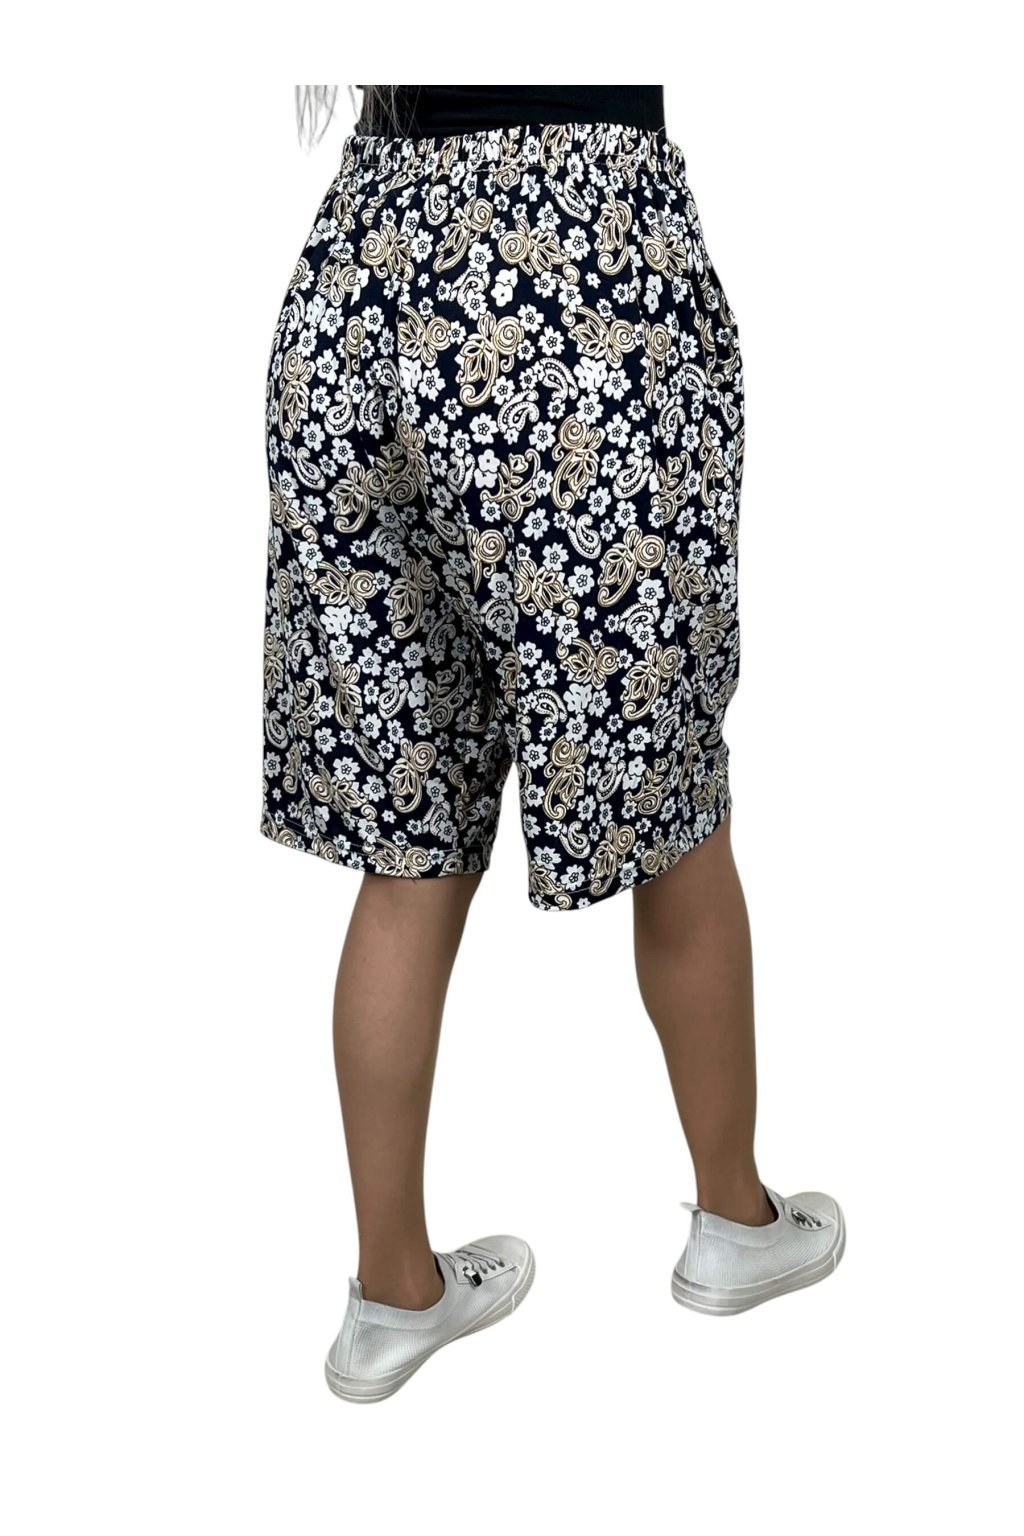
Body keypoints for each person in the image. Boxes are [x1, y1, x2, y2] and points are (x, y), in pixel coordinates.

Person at [261, 84, 844, 1403]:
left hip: (357, 280)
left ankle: (391, 1294)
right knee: (670, 806)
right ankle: (736, 1219)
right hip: (580, 280)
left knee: (407, 837)